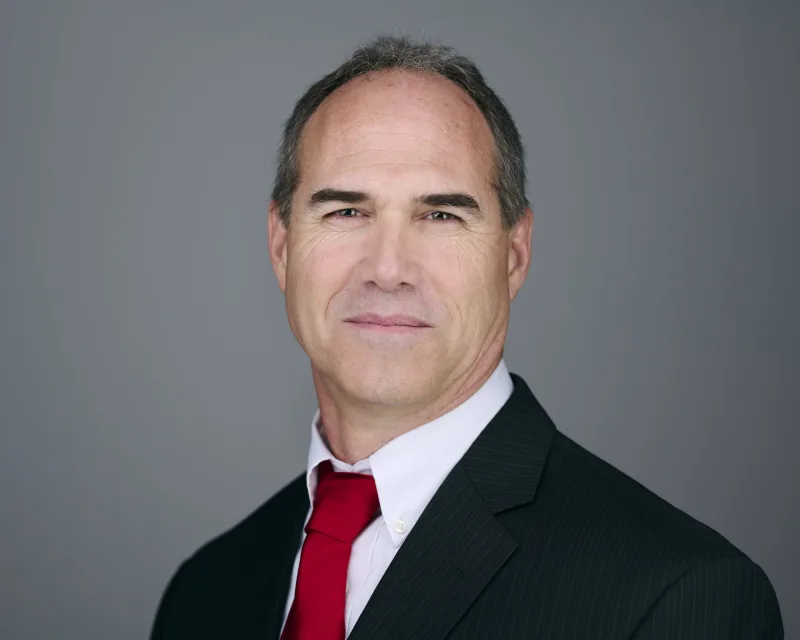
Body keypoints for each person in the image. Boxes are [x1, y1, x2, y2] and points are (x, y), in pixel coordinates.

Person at [150, 35, 783, 639]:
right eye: (346, 211)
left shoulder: (677, 597)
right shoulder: (208, 590)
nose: (388, 268)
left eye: (441, 215)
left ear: (514, 254)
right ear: (282, 246)